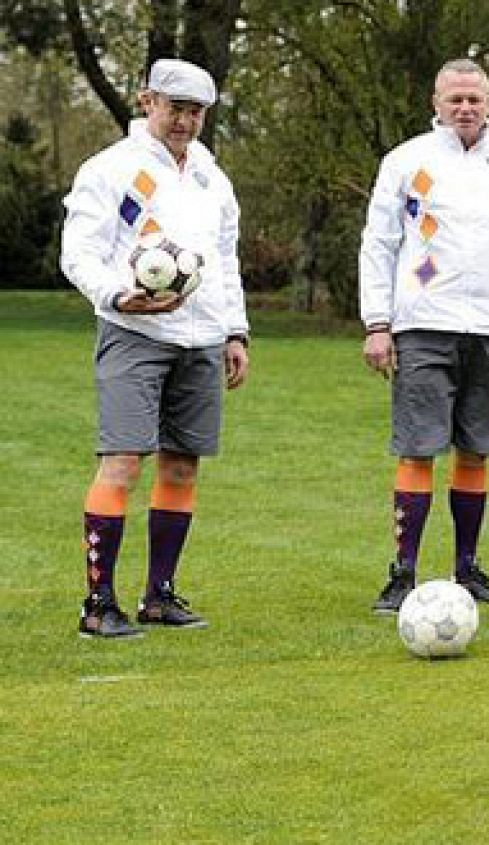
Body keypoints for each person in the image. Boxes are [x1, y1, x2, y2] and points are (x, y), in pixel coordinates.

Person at [60, 58, 251, 638]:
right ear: (148, 102)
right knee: (122, 461)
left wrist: (235, 330)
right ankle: (98, 604)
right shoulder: (109, 169)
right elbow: (77, 252)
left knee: (182, 465)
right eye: (177, 109)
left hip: (201, 338)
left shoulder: (211, 179)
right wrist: (119, 296)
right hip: (134, 334)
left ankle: (159, 595)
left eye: (197, 113)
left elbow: (224, 261)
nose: (186, 122)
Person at [359, 58, 489, 612]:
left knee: (475, 451)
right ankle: (403, 573)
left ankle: (467, 567)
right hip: (423, 322)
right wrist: (378, 322)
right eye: (455, 99)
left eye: (474, 98)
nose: (465, 108)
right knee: (419, 448)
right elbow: (378, 244)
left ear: (488, 103)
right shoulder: (406, 162)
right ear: (436, 103)